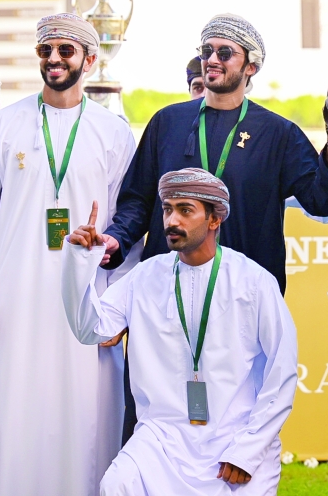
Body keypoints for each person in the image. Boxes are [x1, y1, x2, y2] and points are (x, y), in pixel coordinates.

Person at [102, 13, 328, 441]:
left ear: (250, 66)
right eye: (206, 51)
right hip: (165, 297)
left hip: (240, 302)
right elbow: (137, 201)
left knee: (230, 428)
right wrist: (116, 240)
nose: (211, 60)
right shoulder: (166, 122)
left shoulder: (279, 133)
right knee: (150, 420)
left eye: (224, 53)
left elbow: (322, 198)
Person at [0, 13, 136, 495]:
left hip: (86, 301)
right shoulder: (5, 126)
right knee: (11, 414)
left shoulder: (113, 132)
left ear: (90, 60)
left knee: (85, 417)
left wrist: (117, 310)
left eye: (65, 51)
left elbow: (128, 227)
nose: (54, 60)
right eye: (46, 51)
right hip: (12, 298)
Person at [62, 168, 297, 495]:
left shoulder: (254, 282)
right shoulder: (145, 277)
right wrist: (78, 262)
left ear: (214, 220)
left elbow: (282, 371)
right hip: (161, 437)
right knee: (117, 484)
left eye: (185, 210)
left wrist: (249, 449)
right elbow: (91, 329)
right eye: (168, 209)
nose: (172, 220)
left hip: (235, 437)